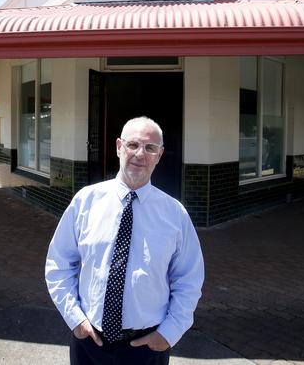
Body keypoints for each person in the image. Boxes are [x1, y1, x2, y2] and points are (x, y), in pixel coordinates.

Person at [45, 116, 204, 365]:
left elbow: (189, 279)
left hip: (147, 347)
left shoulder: (175, 214)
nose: (140, 154)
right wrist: (75, 319)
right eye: (133, 145)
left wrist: (169, 333)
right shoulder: (85, 202)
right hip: (89, 342)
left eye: (150, 148)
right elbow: (58, 264)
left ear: (159, 155)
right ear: (119, 147)